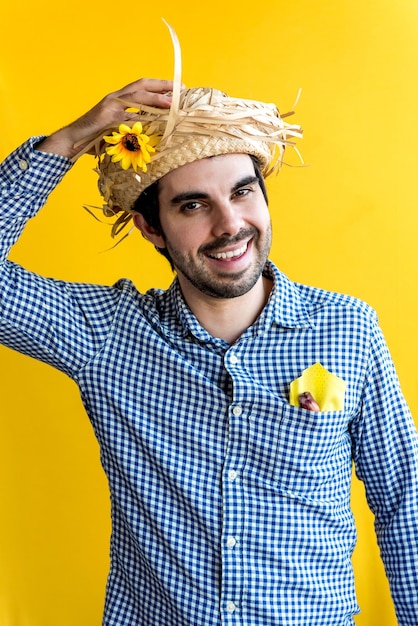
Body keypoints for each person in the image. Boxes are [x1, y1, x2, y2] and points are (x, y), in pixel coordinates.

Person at [0, 76, 417, 626]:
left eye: (242, 192)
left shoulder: (348, 328)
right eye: (194, 205)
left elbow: (403, 502)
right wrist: (72, 138)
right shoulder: (107, 336)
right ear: (151, 227)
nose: (230, 226)